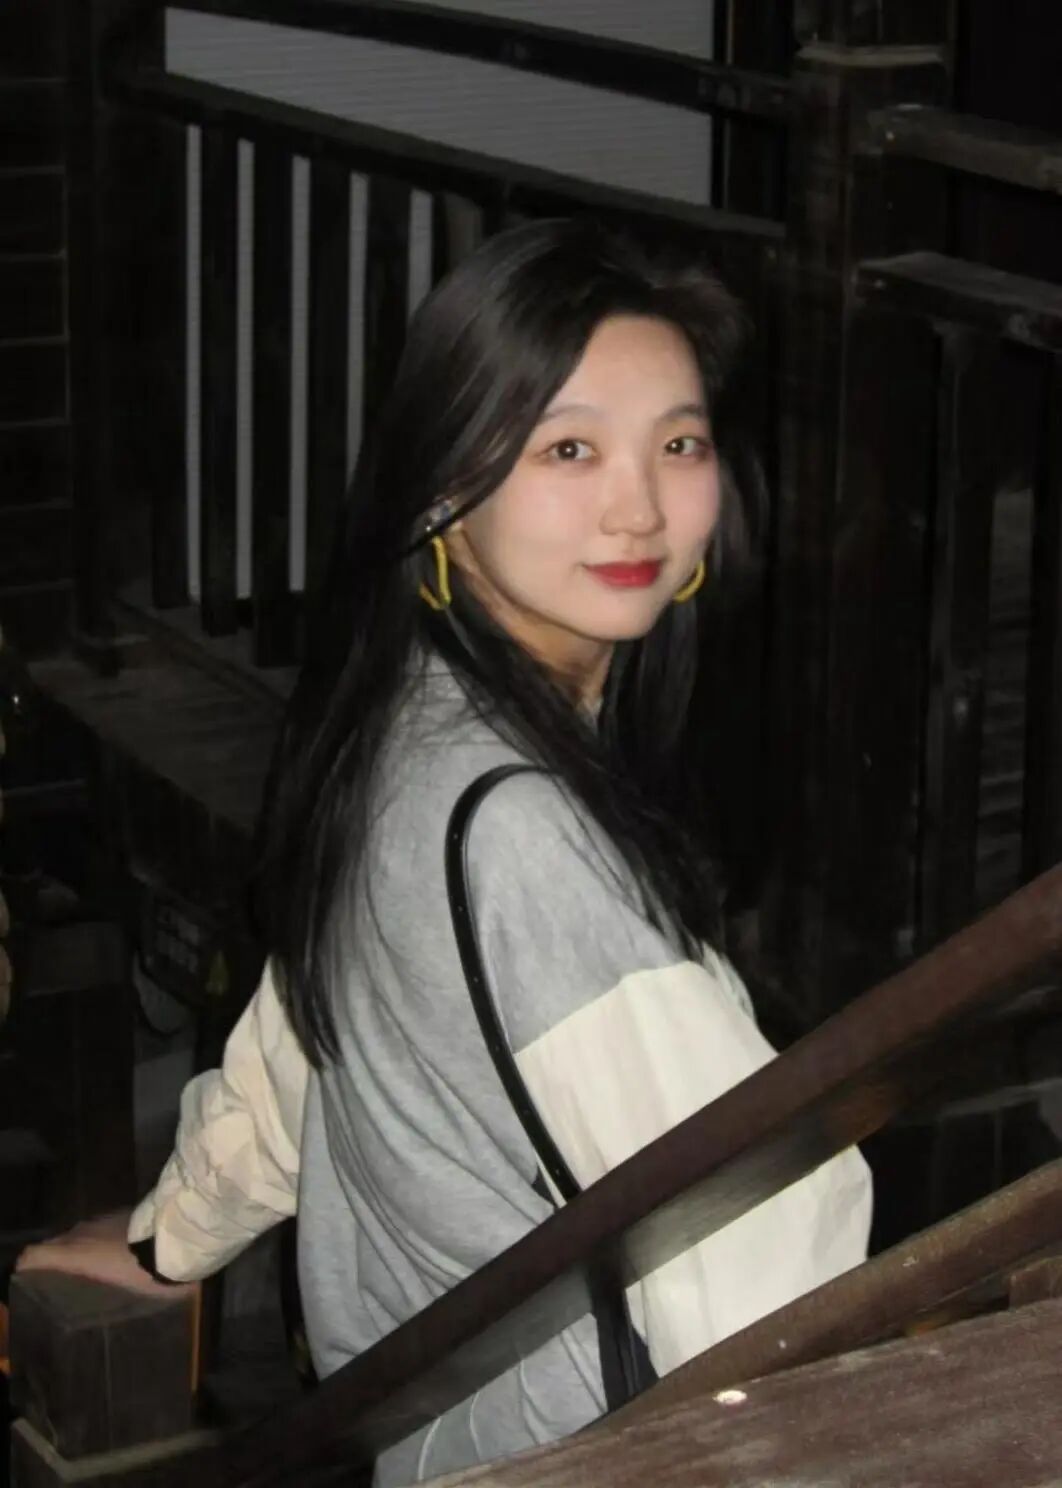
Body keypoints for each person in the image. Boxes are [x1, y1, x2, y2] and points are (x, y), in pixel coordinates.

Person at [19, 219, 871, 1484]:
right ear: (440, 488)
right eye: (568, 448)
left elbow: (312, 1021)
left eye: (677, 443)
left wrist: (171, 1239)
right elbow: (765, 1264)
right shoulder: (518, 831)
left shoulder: (408, 718)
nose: (639, 505)